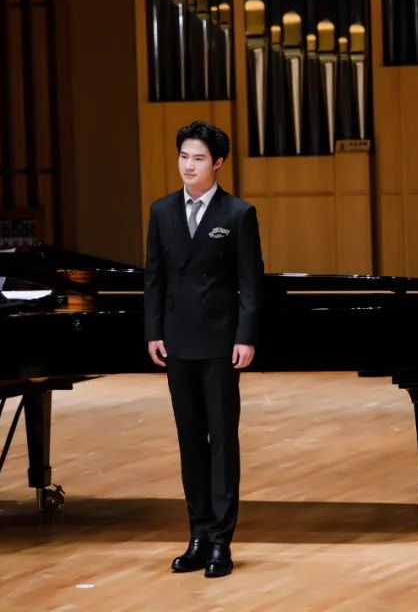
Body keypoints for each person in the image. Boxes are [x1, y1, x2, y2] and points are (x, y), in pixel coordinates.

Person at [144, 121, 263, 578]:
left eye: (198, 158)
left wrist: (245, 336)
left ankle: (220, 542)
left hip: (219, 343)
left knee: (221, 441)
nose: (188, 166)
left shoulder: (238, 213)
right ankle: (197, 534)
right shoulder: (161, 211)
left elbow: (251, 282)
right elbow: (154, 278)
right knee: (190, 439)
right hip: (176, 341)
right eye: (183, 157)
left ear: (217, 163)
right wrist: (154, 332)